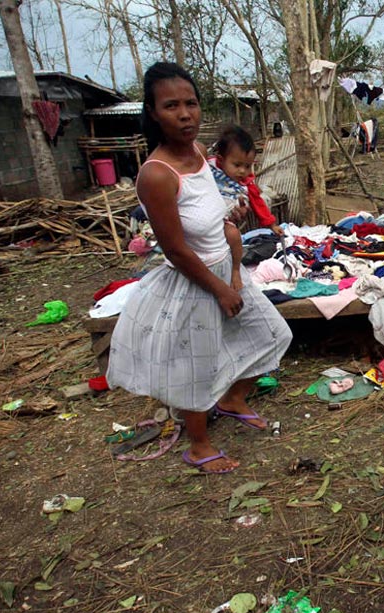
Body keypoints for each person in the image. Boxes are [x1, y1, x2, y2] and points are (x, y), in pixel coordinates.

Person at [106, 62, 293, 474]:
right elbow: (175, 249)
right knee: (195, 367)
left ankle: (232, 400)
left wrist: (231, 223)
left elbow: (207, 214)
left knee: (275, 335)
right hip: (195, 281)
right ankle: (199, 446)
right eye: (171, 106)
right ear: (153, 112)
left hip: (226, 267)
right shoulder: (157, 175)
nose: (185, 114)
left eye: (191, 103)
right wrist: (219, 289)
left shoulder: (197, 152)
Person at [207, 125, 283, 292]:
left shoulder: (245, 183)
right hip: (206, 216)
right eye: (237, 165)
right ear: (220, 159)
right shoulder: (207, 170)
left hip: (226, 219)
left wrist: (272, 225)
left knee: (234, 237)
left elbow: (258, 203)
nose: (242, 171)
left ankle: (235, 271)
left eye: (247, 166)